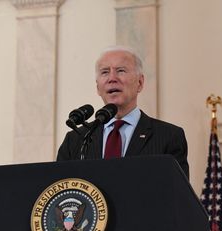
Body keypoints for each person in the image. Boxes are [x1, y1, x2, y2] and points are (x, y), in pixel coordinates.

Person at [57, 46, 189, 178]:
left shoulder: (169, 137)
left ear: (140, 83)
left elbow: (176, 194)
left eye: (121, 71)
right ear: (98, 87)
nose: (112, 78)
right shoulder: (75, 140)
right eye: (105, 72)